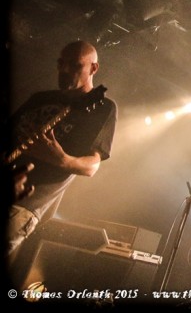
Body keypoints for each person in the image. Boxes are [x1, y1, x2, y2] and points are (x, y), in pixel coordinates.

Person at [5, 40, 117, 260]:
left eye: (75, 65)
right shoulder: (41, 98)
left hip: (24, 204)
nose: (65, 70)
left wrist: (63, 159)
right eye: (61, 63)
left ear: (93, 68)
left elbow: (92, 165)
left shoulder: (102, 108)